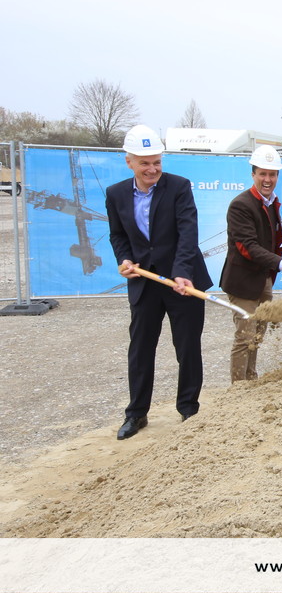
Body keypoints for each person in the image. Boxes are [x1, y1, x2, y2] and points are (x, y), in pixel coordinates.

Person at [105, 124, 213, 439]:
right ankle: (136, 414)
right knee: (140, 349)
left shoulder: (179, 187)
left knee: (188, 347)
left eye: (156, 162)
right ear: (129, 162)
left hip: (184, 281)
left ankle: (189, 410)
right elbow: (117, 235)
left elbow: (187, 232)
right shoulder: (115, 194)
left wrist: (182, 272)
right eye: (145, 163)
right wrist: (125, 260)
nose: (152, 169)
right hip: (145, 281)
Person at [220, 145, 282, 382]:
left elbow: (268, 237)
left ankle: (251, 379)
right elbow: (248, 247)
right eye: (262, 174)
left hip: (262, 279)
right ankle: (239, 387)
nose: (267, 179)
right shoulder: (241, 205)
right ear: (253, 174)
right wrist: (280, 263)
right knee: (245, 337)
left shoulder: (271, 202)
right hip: (243, 281)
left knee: (257, 334)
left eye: (272, 174)